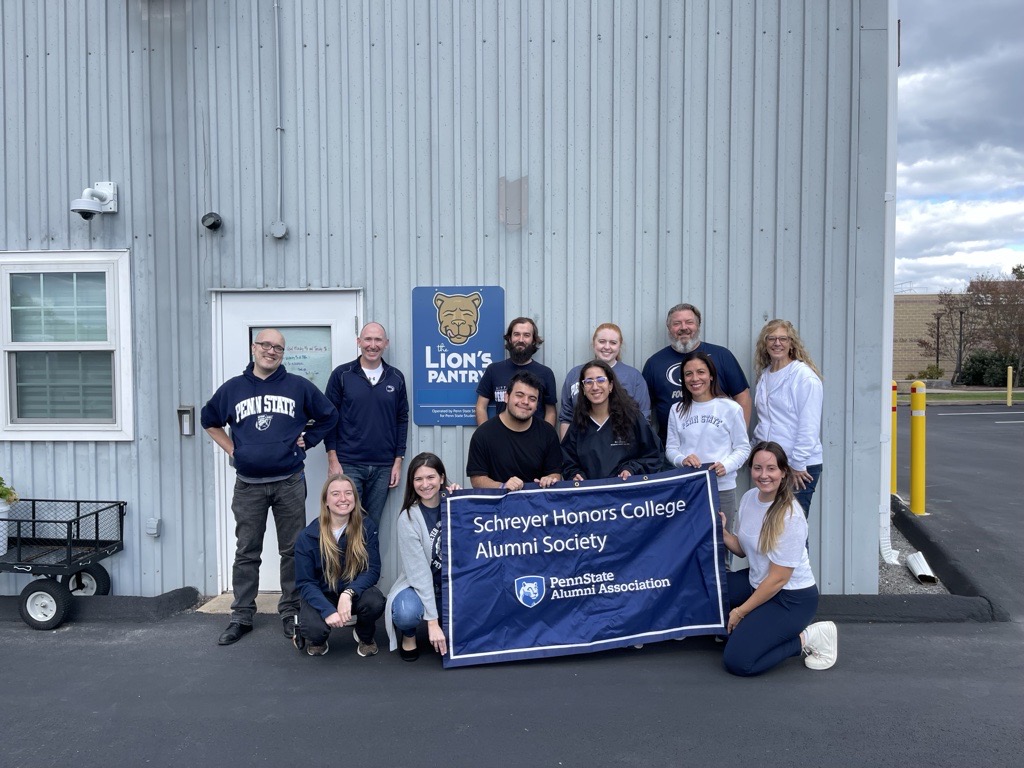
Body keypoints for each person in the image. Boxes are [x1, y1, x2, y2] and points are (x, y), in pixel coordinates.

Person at [201, 328, 338, 646]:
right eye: (266, 344)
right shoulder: (233, 389)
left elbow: (329, 416)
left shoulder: (299, 387)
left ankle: (290, 612)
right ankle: (241, 615)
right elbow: (210, 420)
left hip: (289, 481)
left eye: (278, 347)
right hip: (248, 484)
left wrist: (310, 440)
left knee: (293, 550)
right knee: (247, 550)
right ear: (254, 348)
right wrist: (234, 450)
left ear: (283, 353)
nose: (271, 351)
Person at [719, 441, 837, 676]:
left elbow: (778, 580)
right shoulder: (749, 498)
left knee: (738, 661)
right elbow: (743, 550)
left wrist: (740, 611)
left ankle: (810, 637)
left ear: (783, 472)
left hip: (790, 598)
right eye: (757, 468)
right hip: (757, 583)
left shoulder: (790, 515)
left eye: (771, 468)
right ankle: (754, 627)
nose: (764, 475)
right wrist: (721, 532)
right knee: (712, 593)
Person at [324, 322, 409, 527]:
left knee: (371, 527)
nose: (373, 345)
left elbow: (402, 419)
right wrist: (332, 458)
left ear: (386, 344)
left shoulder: (396, 377)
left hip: (383, 467)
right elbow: (329, 418)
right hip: (348, 463)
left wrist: (398, 461)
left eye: (378, 340)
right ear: (359, 342)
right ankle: (343, 561)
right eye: (368, 339)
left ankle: (367, 561)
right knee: (346, 524)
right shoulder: (342, 375)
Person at [293, 474, 385, 657]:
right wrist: (327, 610)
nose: (343, 499)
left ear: (355, 499)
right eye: (335, 494)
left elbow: (372, 570)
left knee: (374, 601)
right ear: (326, 501)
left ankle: (364, 635)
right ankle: (317, 638)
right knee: (313, 629)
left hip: (352, 591)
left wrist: (348, 593)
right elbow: (305, 583)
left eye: (348, 493)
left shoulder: (367, 527)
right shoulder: (308, 536)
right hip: (322, 594)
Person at [385, 453, 461, 661]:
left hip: (452, 586)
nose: (425, 484)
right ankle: (409, 635)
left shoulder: (457, 504)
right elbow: (419, 574)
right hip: (419, 587)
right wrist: (433, 622)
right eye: (418, 479)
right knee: (406, 612)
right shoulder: (408, 518)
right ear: (411, 483)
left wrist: (464, 502)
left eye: (431, 477)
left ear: (442, 478)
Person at [664, 353, 751, 529]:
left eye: (701, 372)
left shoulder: (730, 408)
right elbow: (671, 448)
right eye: (688, 374)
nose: (695, 378)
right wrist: (682, 459)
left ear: (711, 375)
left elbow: (743, 448)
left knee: (721, 543)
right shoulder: (677, 410)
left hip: (722, 488)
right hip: (689, 488)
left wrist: (726, 465)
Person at [642, 303, 751, 439]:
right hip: (670, 448)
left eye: (689, 322)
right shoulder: (654, 363)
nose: (683, 327)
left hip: (719, 448)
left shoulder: (721, 355)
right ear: (669, 328)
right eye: (677, 323)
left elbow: (742, 396)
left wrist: (739, 439)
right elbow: (644, 408)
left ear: (698, 325)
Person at [751, 319, 824, 515]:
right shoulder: (765, 375)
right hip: (772, 462)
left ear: (791, 343)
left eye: (783, 339)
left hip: (797, 465)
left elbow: (809, 424)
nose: (777, 343)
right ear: (764, 344)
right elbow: (766, 421)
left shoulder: (803, 377)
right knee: (773, 524)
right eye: (771, 338)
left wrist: (798, 463)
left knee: (793, 525)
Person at [561, 360, 662, 481]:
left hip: (625, 496)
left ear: (610, 385)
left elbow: (654, 456)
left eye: (600, 380)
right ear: (583, 388)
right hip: (591, 496)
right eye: (588, 382)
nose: (595, 387)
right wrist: (575, 475)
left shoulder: (632, 418)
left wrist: (631, 469)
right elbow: (568, 462)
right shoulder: (578, 424)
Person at [467, 371, 562, 490]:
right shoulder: (483, 434)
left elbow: (555, 473)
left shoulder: (548, 433)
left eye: (532, 398)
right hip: (497, 505)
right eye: (519, 395)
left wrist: (549, 479)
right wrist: (503, 486)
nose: (525, 402)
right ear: (506, 397)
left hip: (537, 504)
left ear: (537, 405)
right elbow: (477, 479)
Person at [558, 323, 651, 438]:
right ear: (594, 343)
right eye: (602, 341)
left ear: (619, 345)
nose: (607, 347)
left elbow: (643, 418)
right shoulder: (575, 374)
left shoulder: (633, 376)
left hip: (622, 446)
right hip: (582, 444)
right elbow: (566, 418)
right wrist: (567, 453)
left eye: (613, 342)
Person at [475, 317, 558, 427]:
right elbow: (481, 407)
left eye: (526, 335)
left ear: (533, 340)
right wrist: (486, 436)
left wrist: (545, 439)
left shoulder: (546, 373)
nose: (521, 340)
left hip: (535, 441)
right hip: (502, 439)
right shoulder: (494, 370)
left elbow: (551, 412)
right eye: (517, 334)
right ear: (510, 338)